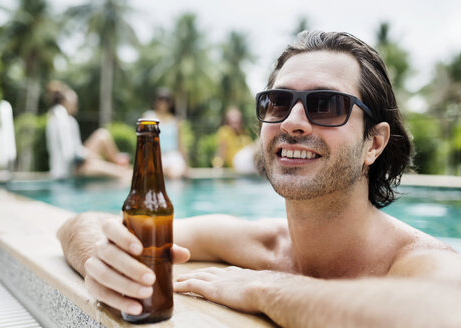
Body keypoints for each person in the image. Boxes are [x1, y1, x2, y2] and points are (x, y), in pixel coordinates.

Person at [56, 31, 461, 327]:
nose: (293, 122)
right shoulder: (259, 243)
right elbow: (81, 223)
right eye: (278, 102)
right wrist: (102, 261)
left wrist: (269, 289)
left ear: (374, 143)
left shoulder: (416, 261)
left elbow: (443, 310)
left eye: (326, 105)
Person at [46, 81, 131, 180]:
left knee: (102, 135)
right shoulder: (61, 118)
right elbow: (69, 155)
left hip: (77, 164)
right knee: (121, 174)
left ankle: (119, 163)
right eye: (75, 101)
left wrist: (90, 156)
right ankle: (122, 169)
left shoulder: (65, 118)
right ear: (65, 101)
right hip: (71, 170)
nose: (77, 105)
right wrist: (90, 157)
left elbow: (74, 150)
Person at [142, 88, 188, 179]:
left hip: (173, 155)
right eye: (160, 99)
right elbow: (143, 141)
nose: (163, 103)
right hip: (154, 155)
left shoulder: (176, 121)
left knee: (175, 175)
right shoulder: (148, 117)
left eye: (166, 100)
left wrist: (187, 165)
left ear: (170, 103)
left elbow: (180, 144)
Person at [212, 106, 256, 173]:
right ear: (228, 121)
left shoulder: (245, 135)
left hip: (247, 167)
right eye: (232, 119)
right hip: (237, 163)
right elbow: (221, 153)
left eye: (237, 119)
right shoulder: (224, 132)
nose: (235, 121)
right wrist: (217, 166)